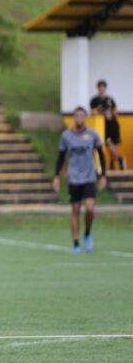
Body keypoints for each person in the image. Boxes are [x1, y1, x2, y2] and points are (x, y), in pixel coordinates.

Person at [53, 106, 107, 254]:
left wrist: (103, 175)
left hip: (89, 177)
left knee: (90, 208)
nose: (79, 118)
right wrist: (56, 176)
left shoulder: (93, 135)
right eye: (76, 116)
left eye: (81, 116)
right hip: (74, 179)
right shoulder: (66, 136)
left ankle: (87, 233)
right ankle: (76, 243)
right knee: (75, 210)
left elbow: (101, 155)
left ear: (85, 118)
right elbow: (61, 157)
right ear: (73, 118)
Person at [90, 79, 124, 170]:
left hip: (112, 126)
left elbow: (115, 112)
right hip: (101, 127)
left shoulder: (110, 100)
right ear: (98, 88)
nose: (101, 89)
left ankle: (115, 163)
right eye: (100, 87)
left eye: (103, 87)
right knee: (109, 145)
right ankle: (119, 160)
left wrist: (111, 114)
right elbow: (93, 113)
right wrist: (103, 114)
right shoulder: (94, 100)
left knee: (111, 146)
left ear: (105, 88)